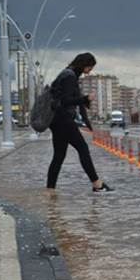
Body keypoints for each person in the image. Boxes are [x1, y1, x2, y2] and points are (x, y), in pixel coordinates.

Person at [47, 53, 113, 192]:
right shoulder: (70, 76)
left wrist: (84, 102)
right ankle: (97, 184)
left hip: (56, 120)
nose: (90, 70)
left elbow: (68, 99)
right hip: (63, 119)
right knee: (83, 149)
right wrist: (86, 98)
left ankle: (50, 190)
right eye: (90, 67)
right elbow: (66, 101)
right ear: (84, 64)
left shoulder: (67, 74)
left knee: (59, 156)